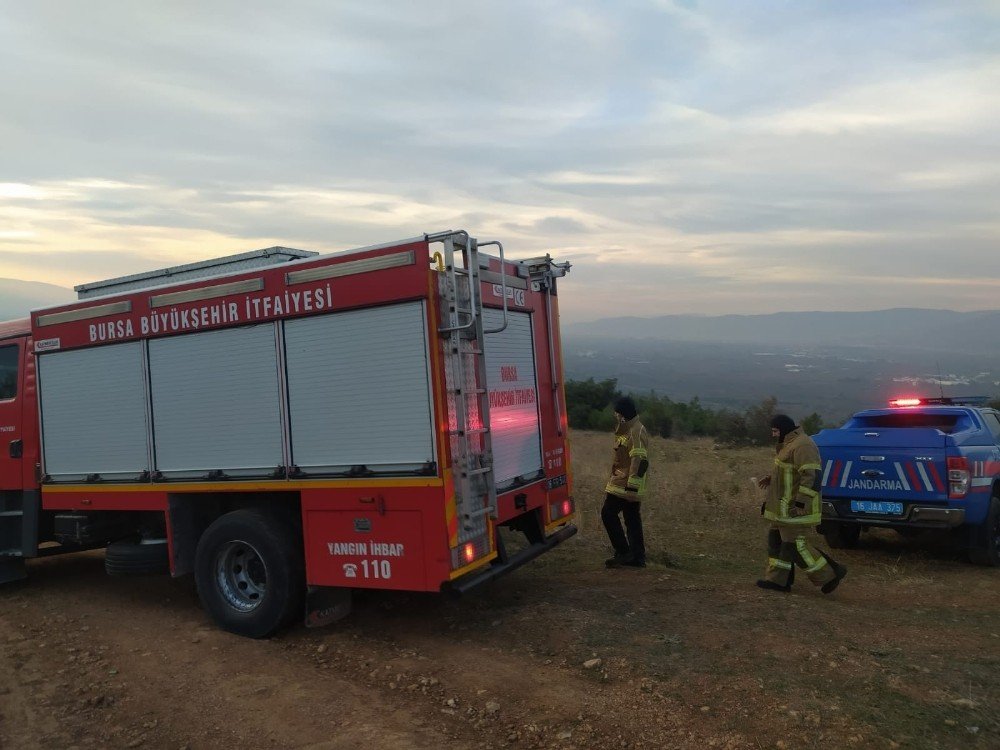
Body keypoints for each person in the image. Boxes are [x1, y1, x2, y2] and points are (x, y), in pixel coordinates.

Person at [757, 414, 847, 593]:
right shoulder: (790, 444)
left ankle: (830, 573)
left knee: (795, 546)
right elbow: (790, 472)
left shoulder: (803, 445)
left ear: (783, 429)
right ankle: (778, 581)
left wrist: (800, 503)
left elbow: (812, 476)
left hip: (796, 509)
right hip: (782, 509)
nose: (774, 435)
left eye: (775, 431)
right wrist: (772, 479)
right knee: (776, 541)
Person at [601, 396, 650, 568]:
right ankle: (637, 558)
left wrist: (632, 487)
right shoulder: (627, 430)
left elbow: (638, 459)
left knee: (608, 513)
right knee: (631, 518)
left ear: (623, 414)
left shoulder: (635, 431)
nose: (615, 415)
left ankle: (624, 552)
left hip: (625, 485)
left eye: (617, 412)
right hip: (623, 483)